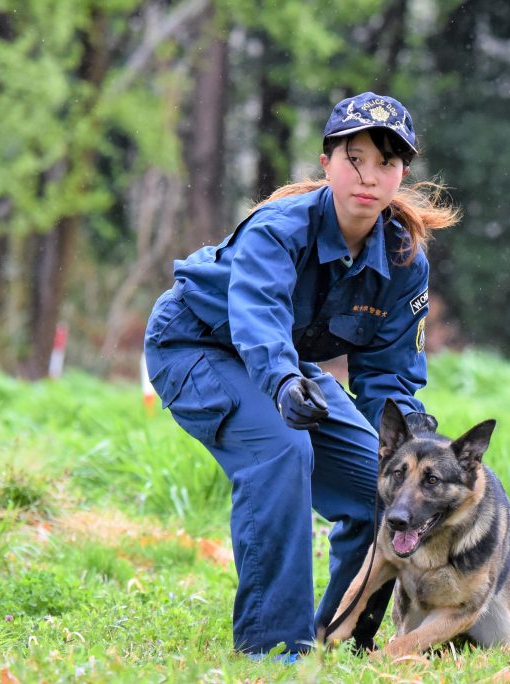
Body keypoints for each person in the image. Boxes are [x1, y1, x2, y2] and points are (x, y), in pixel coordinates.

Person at [144, 92, 459, 658]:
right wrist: (285, 384)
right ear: (327, 163)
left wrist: (408, 422)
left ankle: (338, 637)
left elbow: (387, 375)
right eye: (354, 158)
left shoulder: (404, 258)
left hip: (285, 365)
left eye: (386, 163)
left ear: (402, 173)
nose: (369, 175)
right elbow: (260, 320)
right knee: (283, 450)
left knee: (384, 485)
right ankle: (273, 650)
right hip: (195, 343)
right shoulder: (279, 228)